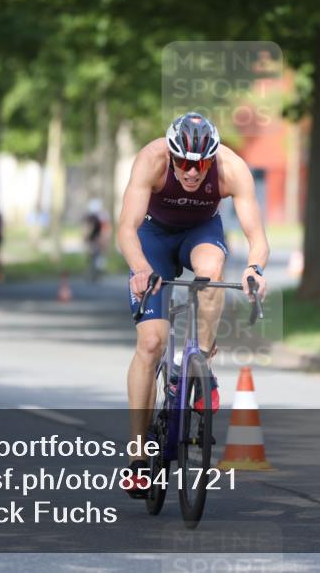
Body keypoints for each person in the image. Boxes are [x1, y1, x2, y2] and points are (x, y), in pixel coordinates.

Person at [117, 112, 269, 497]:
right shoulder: (151, 159)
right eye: (183, 162)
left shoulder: (232, 169)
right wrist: (139, 269)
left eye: (200, 164)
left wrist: (254, 269)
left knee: (212, 269)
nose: (191, 172)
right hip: (153, 237)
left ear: (212, 158)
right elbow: (126, 228)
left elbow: (257, 237)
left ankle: (200, 361)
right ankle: (137, 458)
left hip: (201, 232)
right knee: (151, 343)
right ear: (171, 155)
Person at [84, 199, 106, 282]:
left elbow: (104, 229)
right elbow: (86, 227)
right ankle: (92, 273)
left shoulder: (101, 217)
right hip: (93, 240)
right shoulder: (91, 217)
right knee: (93, 256)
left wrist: (103, 239)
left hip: (96, 239)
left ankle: (96, 273)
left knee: (97, 256)